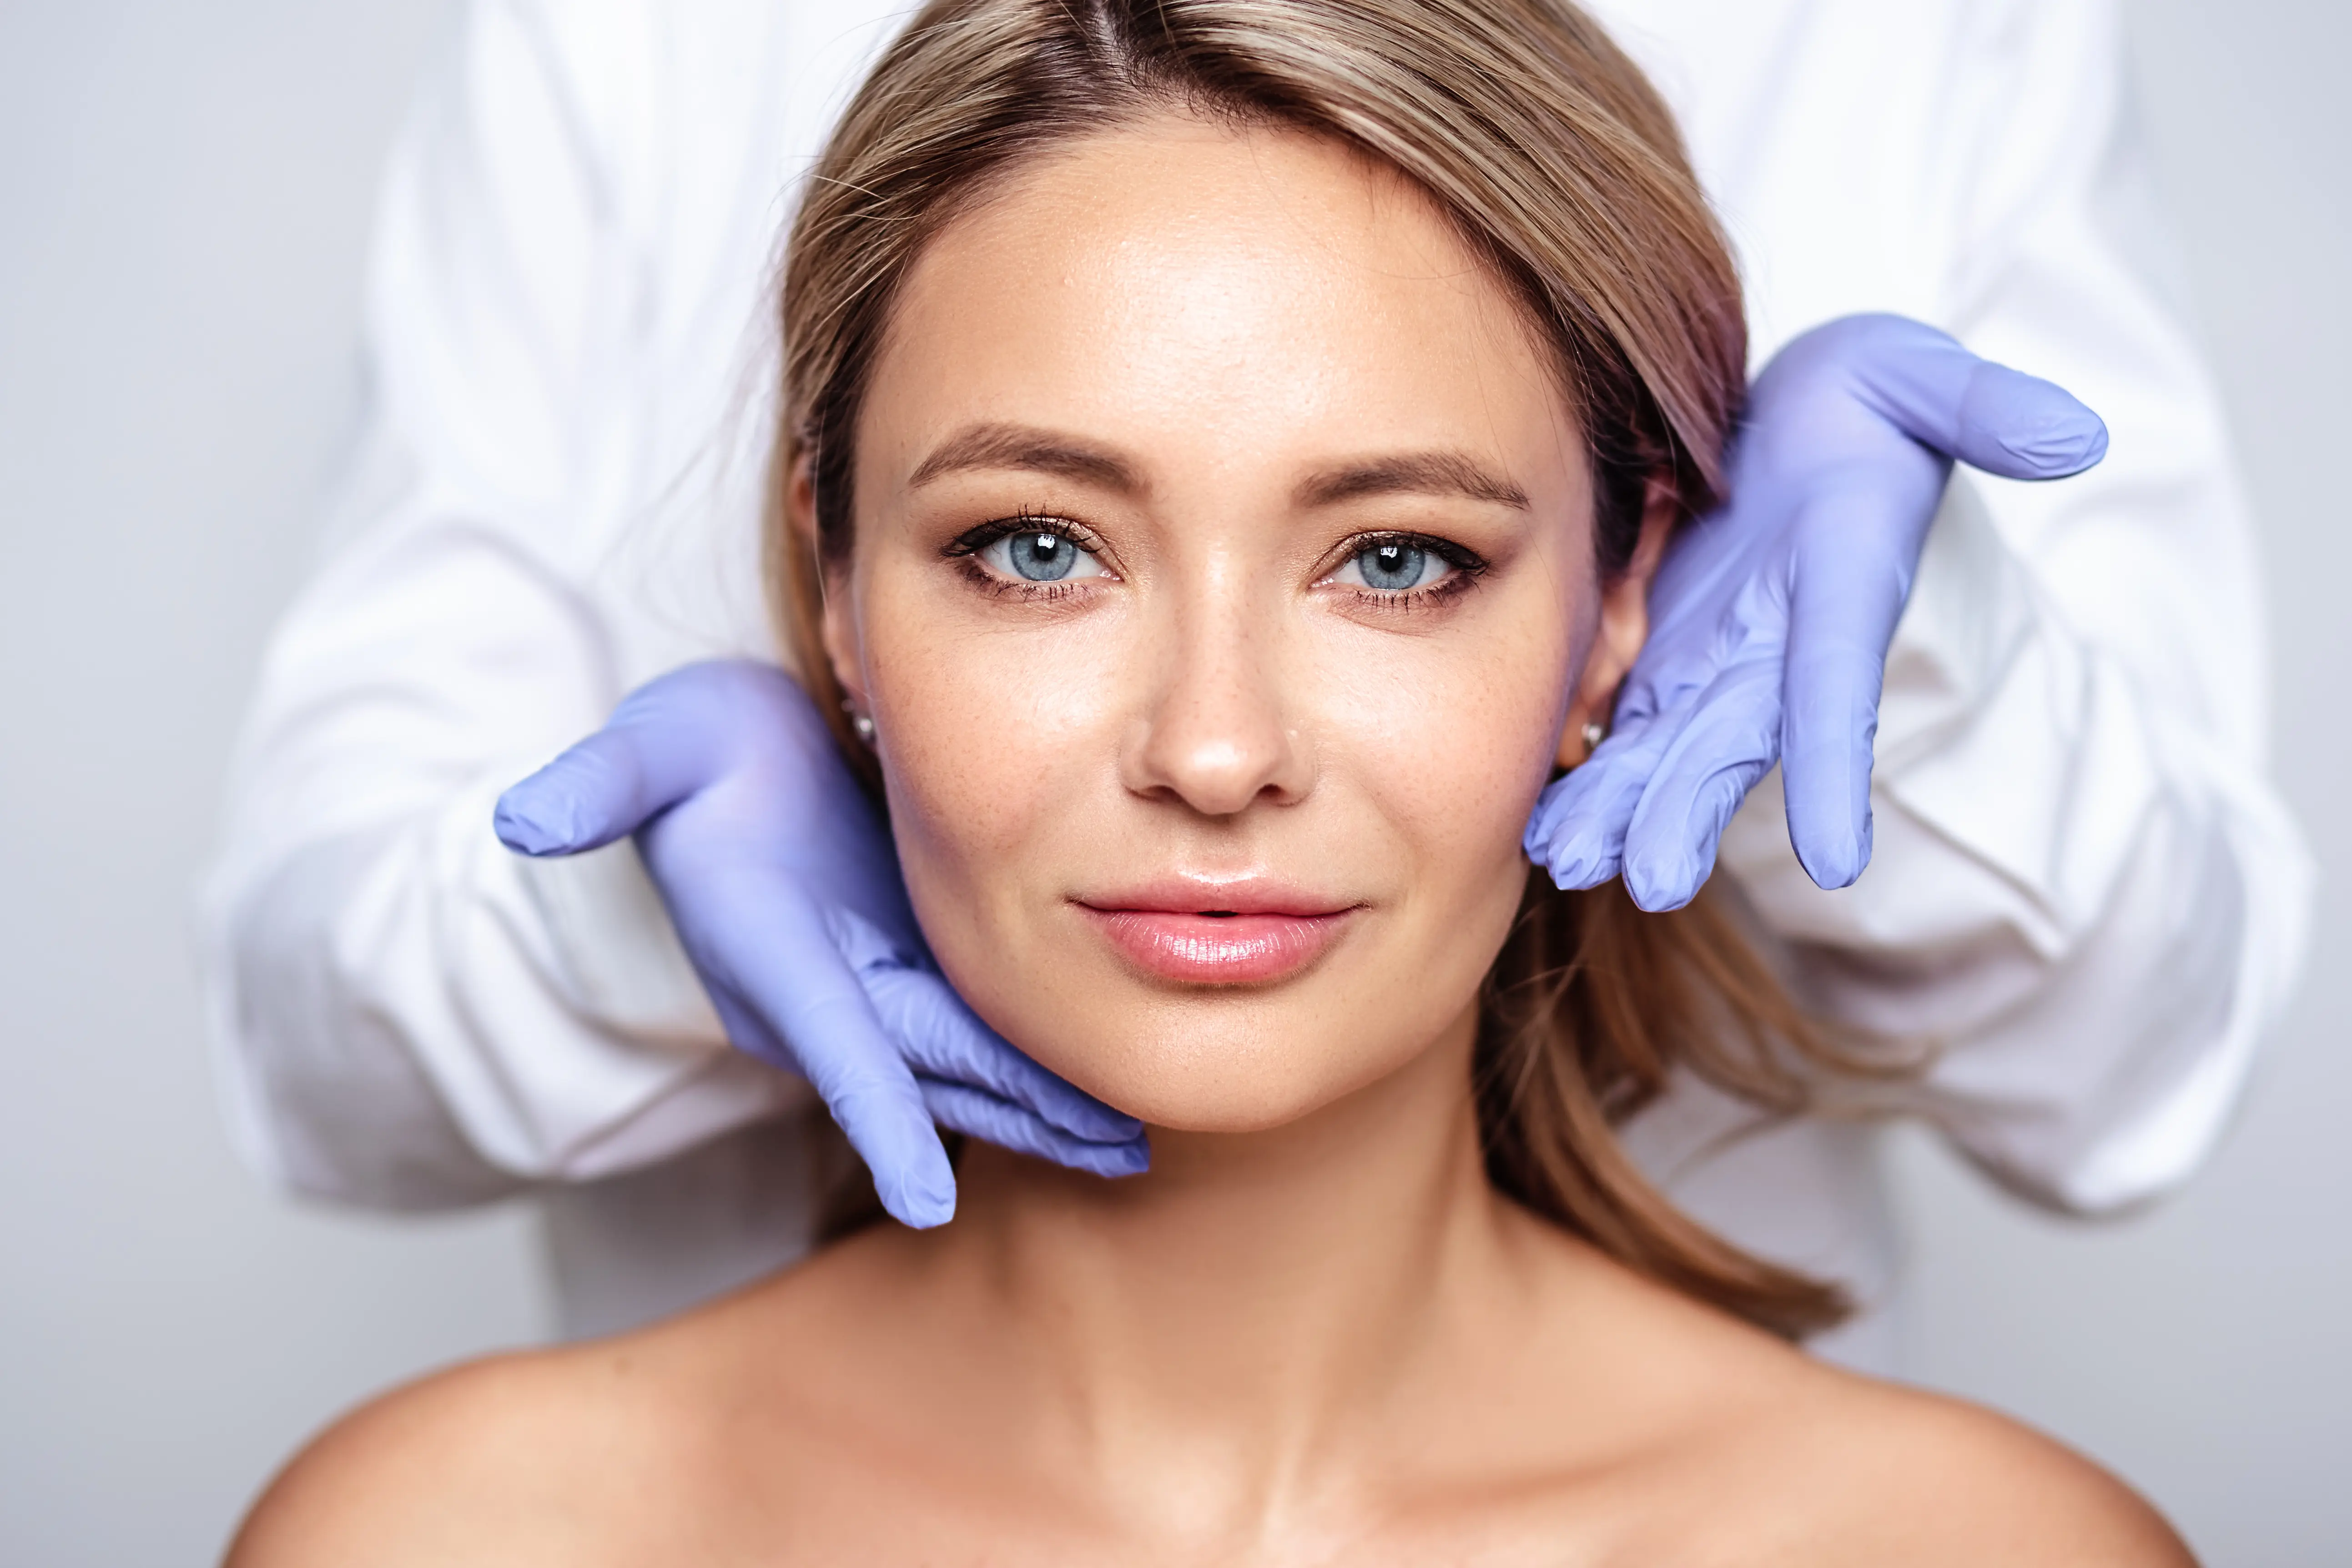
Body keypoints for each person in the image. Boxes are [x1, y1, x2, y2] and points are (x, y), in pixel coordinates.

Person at [227, 7, 2196, 1557]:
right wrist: (617, 913)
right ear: (831, 584)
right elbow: (306, 1031)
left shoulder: (1983, 1548)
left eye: (1400, 557)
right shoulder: (446, 1535)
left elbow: (2139, 1071)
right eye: (1032, 545)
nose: (1213, 750)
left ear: (1630, 602)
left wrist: (1924, 654)